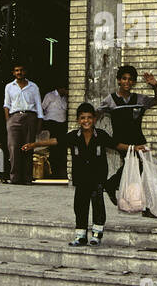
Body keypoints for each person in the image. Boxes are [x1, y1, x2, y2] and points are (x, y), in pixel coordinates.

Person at [25, 102, 142, 246]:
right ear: (78, 120)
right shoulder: (73, 136)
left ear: (94, 119)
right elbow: (56, 141)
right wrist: (34, 144)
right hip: (81, 178)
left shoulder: (101, 135)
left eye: (89, 118)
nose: (86, 121)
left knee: (98, 206)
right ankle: (80, 236)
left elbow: (116, 145)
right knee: (80, 206)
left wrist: (134, 148)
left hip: (97, 178)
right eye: (82, 118)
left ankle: (96, 235)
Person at [98, 65, 157, 200]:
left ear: (134, 82)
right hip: (121, 141)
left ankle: (139, 200)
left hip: (138, 139)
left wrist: (155, 86)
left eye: (131, 79)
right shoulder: (110, 100)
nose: (127, 82)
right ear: (119, 80)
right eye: (124, 79)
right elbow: (96, 113)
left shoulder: (139, 99)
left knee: (139, 169)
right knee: (135, 165)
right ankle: (112, 184)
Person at [2, 63, 42, 184]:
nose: (19, 72)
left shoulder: (33, 87)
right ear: (13, 73)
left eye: (21, 70)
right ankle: (15, 178)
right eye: (16, 70)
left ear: (25, 72)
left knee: (28, 147)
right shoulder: (9, 86)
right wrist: (8, 120)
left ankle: (27, 178)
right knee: (13, 147)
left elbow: (38, 105)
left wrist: (40, 122)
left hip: (30, 117)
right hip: (14, 117)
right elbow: (6, 105)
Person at [40, 84, 69, 178]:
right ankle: (52, 171)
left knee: (60, 148)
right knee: (52, 148)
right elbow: (42, 108)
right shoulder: (50, 95)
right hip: (51, 123)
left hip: (61, 124)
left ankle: (59, 171)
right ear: (61, 88)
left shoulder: (65, 98)